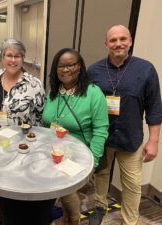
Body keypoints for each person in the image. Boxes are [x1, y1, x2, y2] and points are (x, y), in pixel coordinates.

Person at [87, 24, 162, 225]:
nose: (118, 44)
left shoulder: (146, 69)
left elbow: (154, 107)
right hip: (102, 137)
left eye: (123, 39)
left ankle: (130, 220)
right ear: (106, 44)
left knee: (132, 184)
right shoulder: (94, 70)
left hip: (131, 139)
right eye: (113, 40)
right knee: (101, 175)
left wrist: (153, 141)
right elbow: (86, 104)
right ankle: (100, 208)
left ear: (130, 42)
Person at [42, 48, 109, 225]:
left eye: (71, 65)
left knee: (67, 195)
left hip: (77, 157)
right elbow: (48, 122)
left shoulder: (93, 93)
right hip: (54, 154)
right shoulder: (53, 92)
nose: (66, 70)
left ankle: (73, 220)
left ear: (80, 67)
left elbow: (101, 130)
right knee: (58, 194)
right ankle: (64, 219)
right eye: (61, 66)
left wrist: (93, 162)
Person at [0, 38, 46, 225]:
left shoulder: (34, 84)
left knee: (19, 179)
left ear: (23, 58)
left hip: (22, 143)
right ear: (2, 57)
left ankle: (19, 211)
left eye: (17, 56)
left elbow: (40, 117)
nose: (13, 60)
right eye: (9, 55)